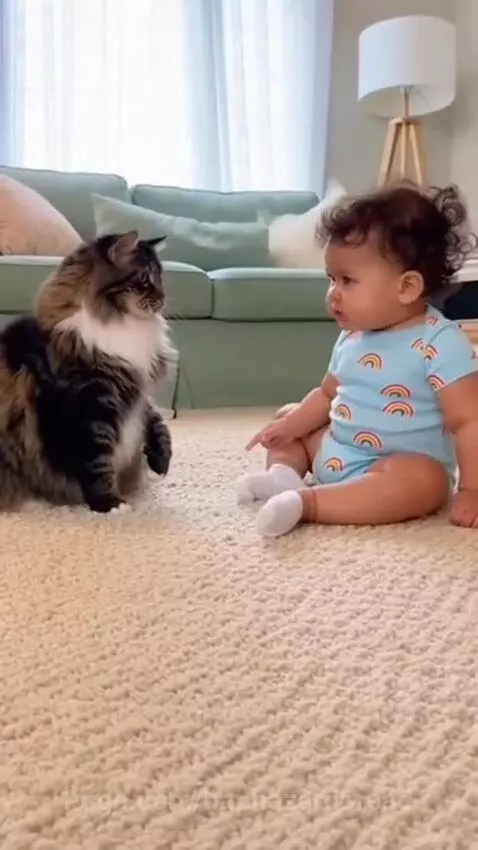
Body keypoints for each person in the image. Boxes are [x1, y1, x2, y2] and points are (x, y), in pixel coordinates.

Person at [237, 182, 478, 537]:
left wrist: (472, 489)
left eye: (347, 281)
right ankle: (284, 476)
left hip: (395, 468)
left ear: (406, 287)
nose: (333, 294)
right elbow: (327, 395)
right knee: (289, 416)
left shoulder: (441, 343)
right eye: (331, 279)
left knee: (426, 481)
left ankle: (309, 503)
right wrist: (289, 428)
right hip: (336, 449)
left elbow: (468, 422)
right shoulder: (353, 336)